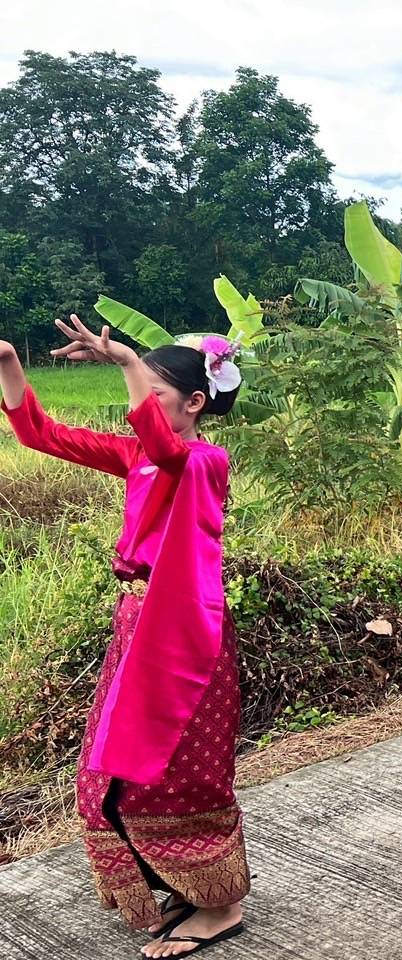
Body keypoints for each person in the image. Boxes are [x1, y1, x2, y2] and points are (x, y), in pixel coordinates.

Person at [2, 320, 250, 956]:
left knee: (175, 767)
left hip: (184, 628)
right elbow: (40, 434)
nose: (137, 400)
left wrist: (127, 359)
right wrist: (7, 361)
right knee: (115, 765)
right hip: (136, 622)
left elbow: (167, 450)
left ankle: (220, 905)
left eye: (154, 390)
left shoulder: (202, 459)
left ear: (195, 403)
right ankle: (185, 882)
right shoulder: (136, 454)